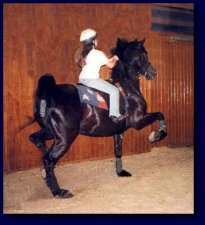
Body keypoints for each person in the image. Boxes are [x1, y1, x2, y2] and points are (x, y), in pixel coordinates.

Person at [75, 28, 125, 121]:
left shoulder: (83, 54)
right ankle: (114, 115)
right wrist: (115, 58)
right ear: (93, 41)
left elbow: (103, 61)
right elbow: (111, 65)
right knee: (114, 91)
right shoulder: (98, 53)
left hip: (82, 79)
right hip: (91, 80)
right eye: (96, 39)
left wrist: (111, 58)